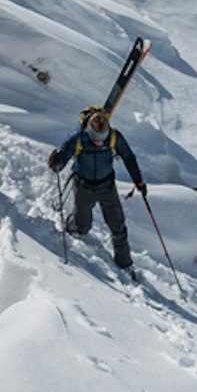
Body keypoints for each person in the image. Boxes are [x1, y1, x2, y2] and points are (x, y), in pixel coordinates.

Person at [46, 106, 145, 276]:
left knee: (118, 225)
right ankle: (72, 227)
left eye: (102, 138)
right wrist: (56, 163)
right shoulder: (77, 138)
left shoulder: (114, 136)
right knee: (82, 225)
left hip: (106, 186)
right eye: (96, 138)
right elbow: (62, 160)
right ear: (89, 131)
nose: (99, 142)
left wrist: (139, 181)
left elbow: (128, 157)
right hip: (83, 186)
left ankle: (125, 263)